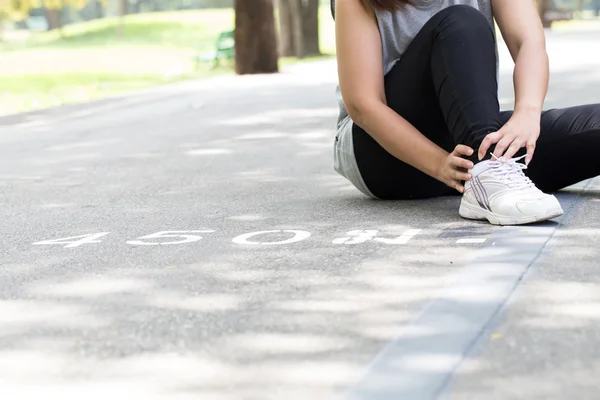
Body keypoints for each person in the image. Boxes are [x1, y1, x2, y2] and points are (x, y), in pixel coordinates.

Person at [332, 0, 600, 225]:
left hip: (468, 143)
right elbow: (364, 105)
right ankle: (488, 179)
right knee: (462, 23)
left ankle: (489, 176)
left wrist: (526, 115)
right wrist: (439, 164)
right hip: (382, 153)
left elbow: (528, 41)